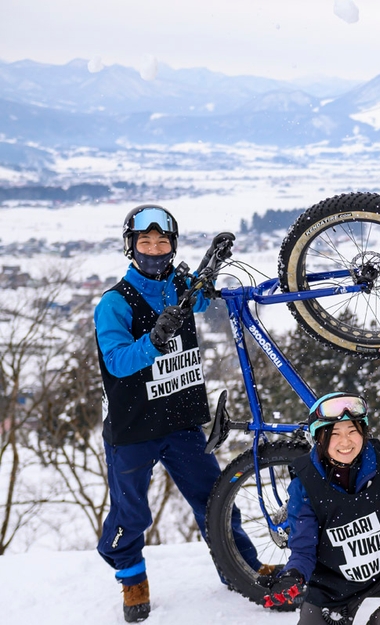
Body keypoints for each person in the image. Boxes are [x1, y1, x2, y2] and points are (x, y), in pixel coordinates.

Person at [95, 205, 264, 622]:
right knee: (131, 512)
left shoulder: (178, 288)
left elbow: (203, 298)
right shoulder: (115, 303)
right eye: (145, 242)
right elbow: (116, 361)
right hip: (133, 426)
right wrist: (153, 339)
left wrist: (213, 264)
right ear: (130, 246)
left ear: (172, 245)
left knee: (216, 500)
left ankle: (240, 568)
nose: (154, 249)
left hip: (181, 420)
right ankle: (133, 580)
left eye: (162, 241)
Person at [261, 392, 380, 624]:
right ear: (320, 438)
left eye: (352, 431)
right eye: (335, 434)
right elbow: (304, 549)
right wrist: (293, 576)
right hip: (334, 585)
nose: (345, 442)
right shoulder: (304, 484)